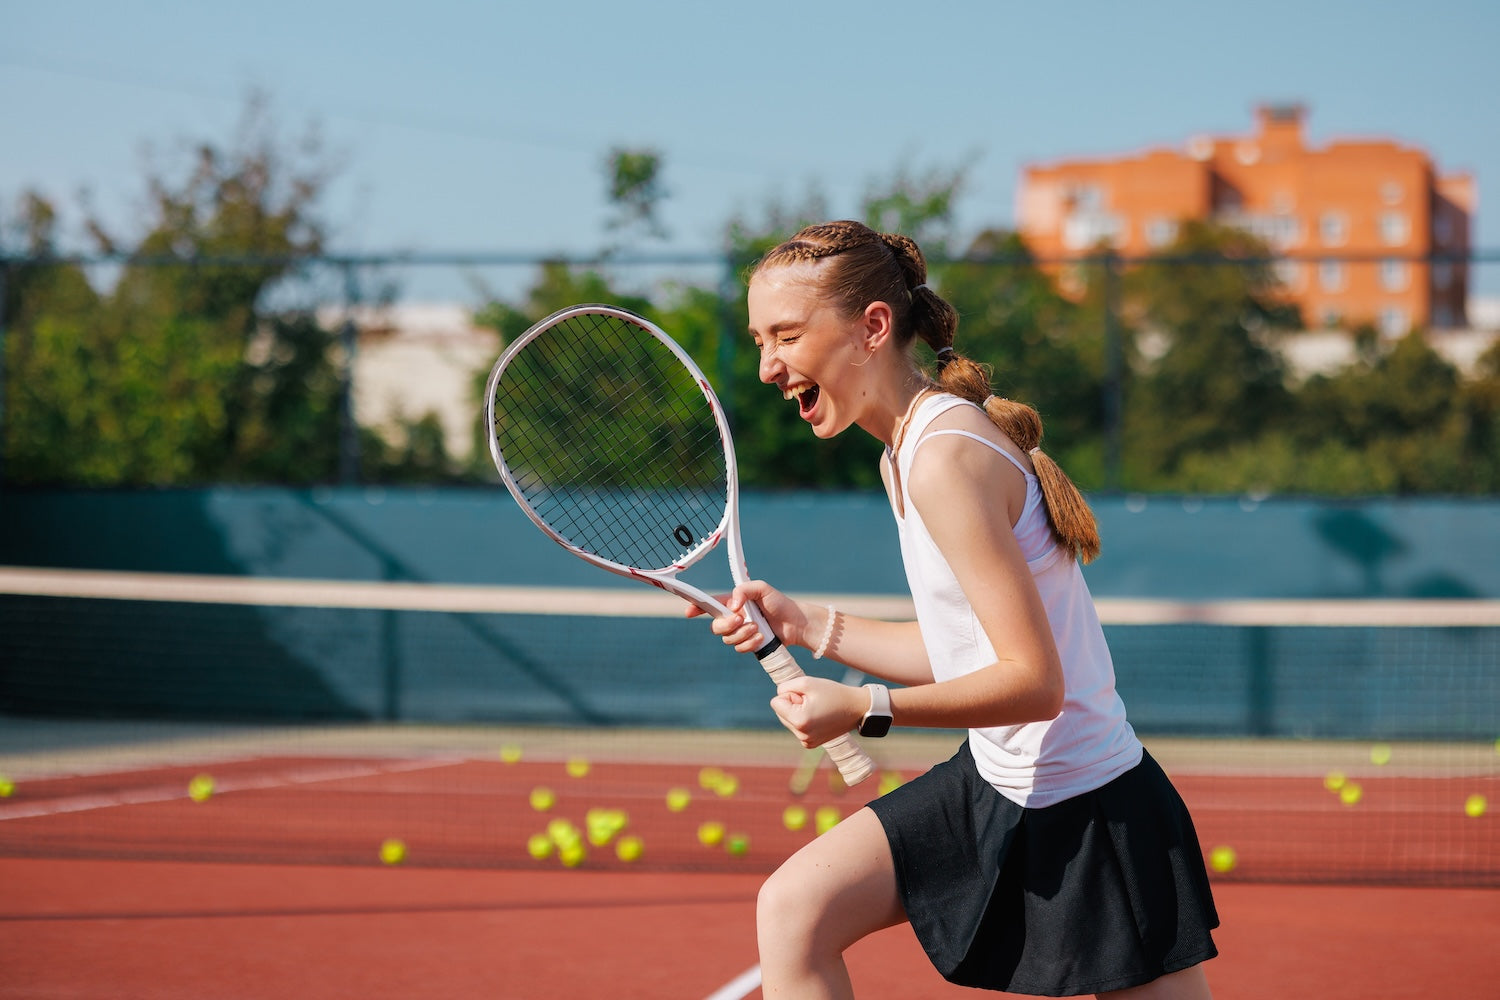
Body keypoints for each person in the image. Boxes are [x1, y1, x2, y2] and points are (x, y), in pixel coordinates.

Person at [690, 220, 1219, 999]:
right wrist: (805, 624)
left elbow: (1037, 684)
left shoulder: (945, 456)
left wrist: (865, 709)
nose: (769, 366)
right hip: (997, 784)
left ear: (873, 327)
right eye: (759, 339)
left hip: (1094, 811)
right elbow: (967, 655)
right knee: (795, 908)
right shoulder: (900, 455)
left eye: (787, 335)